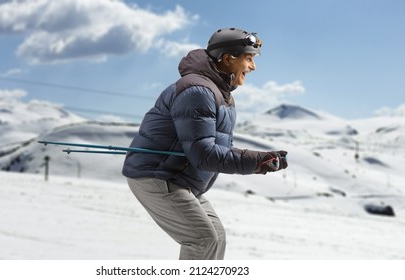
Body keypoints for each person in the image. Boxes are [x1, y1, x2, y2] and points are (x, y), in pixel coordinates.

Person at [122, 28, 288, 260]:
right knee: (203, 239)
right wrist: (258, 161)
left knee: (216, 236)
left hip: (179, 179)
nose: (253, 67)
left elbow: (209, 147)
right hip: (157, 177)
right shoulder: (197, 91)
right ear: (228, 59)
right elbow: (204, 153)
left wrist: (258, 161)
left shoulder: (220, 93)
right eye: (248, 58)